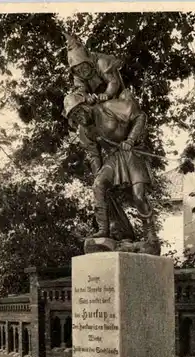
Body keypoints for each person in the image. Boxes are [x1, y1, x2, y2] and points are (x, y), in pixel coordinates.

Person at [63, 90, 158, 244]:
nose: (78, 117)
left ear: (86, 106)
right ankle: (103, 230)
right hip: (114, 157)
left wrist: (131, 139)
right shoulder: (84, 131)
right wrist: (98, 173)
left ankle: (151, 235)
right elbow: (94, 154)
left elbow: (140, 116)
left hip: (132, 152)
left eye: (79, 111)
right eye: (74, 116)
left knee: (138, 196)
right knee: (98, 185)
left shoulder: (107, 107)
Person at [64, 33, 124, 105]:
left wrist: (107, 94)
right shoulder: (77, 76)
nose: (82, 71)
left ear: (88, 61)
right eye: (78, 70)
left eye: (83, 67)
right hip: (101, 104)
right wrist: (87, 98)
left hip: (119, 96)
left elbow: (113, 82)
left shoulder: (101, 63)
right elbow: (80, 91)